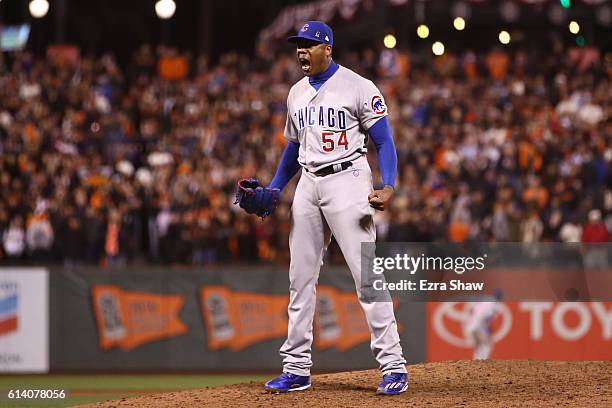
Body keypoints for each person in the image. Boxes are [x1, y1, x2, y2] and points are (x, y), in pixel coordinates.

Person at [262, 21, 408, 395]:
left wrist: (388, 184)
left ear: (327, 48)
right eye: (298, 45)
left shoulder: (359, 86)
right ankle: (296, 367)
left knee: (366, 274)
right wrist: (276, 188)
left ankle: (393, 365)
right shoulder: (295, 93)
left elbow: (384, 141)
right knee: (300, 277)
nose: (301, 51)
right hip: (309, 183)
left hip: (349, 178)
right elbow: (294, 148)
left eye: (309, 45)